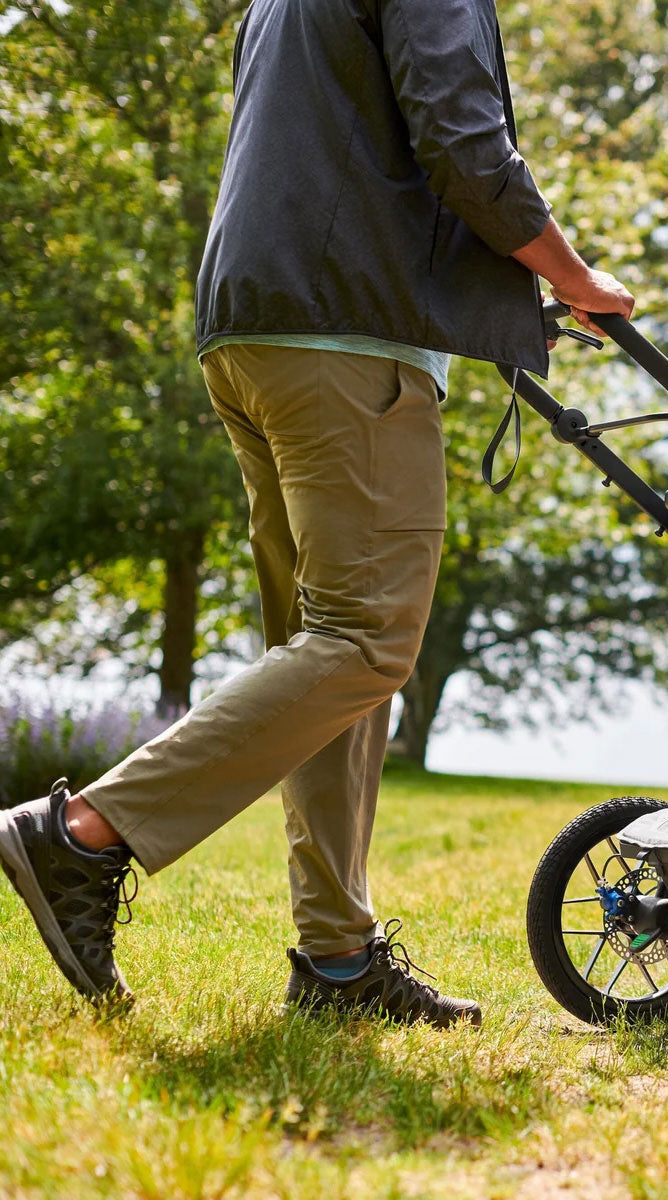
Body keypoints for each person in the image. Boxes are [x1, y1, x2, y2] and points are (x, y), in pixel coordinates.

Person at [0, 0, 633, 1027]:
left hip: (256, 327)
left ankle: (338, 962)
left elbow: (346, 158)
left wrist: (506, 296)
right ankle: (80, 834)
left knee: (331, 661)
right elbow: (464, 148)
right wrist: (573, 273)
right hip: (345, 341)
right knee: (366, 640)